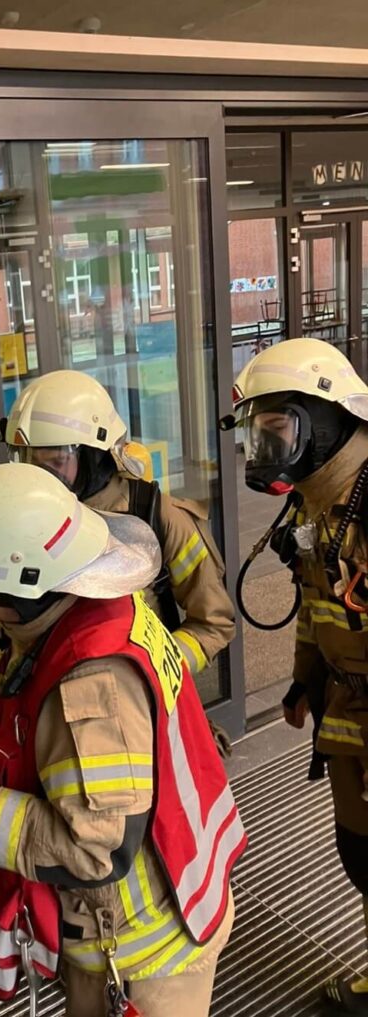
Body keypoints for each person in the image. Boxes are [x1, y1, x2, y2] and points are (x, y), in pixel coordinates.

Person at [0, 462, 244, 1017]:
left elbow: (90, 849)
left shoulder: (94, 682)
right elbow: (29, 684)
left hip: (141, 952)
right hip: (165, 898)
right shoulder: (90, 608)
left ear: (31, 582)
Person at [0, 369, 236, 752]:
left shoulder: (155, 515)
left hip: (142, 714)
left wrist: (150, 671)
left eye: (55, 461)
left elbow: (214, 622)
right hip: (51, 714)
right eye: (26, 460)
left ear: (94, 456)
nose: (39, 478)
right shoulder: (27, 524)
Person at [229, 336, 368, 1014]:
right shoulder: (317, 503)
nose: (263, 451)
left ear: (326, 419)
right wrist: (302, 682)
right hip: (344, 707)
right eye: (259, 434)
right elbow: (317, 609)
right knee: (360, 853)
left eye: (276, 431)